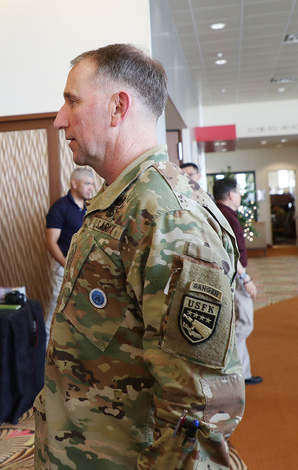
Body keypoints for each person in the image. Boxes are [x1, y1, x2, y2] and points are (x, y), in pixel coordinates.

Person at [34, 44, 244, 469]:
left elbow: (198, 408)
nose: (59, 119)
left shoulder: (168, 216)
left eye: (72, 101)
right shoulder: (123, 200)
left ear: (118, 108)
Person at [213, 177, 262, 385]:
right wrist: (245, 278)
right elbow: (231, 252)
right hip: (236, 274)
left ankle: (243, 373)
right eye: (239, 192)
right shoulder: (226, 216)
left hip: (234, 273)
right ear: (231, 194)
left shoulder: (222, 213)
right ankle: (221, 359)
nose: (240, 196)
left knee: (241, 321)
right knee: (245, 323)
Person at [43, 167, 95, 342]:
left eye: (91, 184)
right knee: (56, 309)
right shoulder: (60, 207)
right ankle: (44, 353)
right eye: (87, 183)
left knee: (82, 311)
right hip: (63, 266)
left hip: (86, 267)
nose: (91, 188)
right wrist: (66, 264)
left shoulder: (90, 207)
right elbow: (50, 242)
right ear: (74, 183)